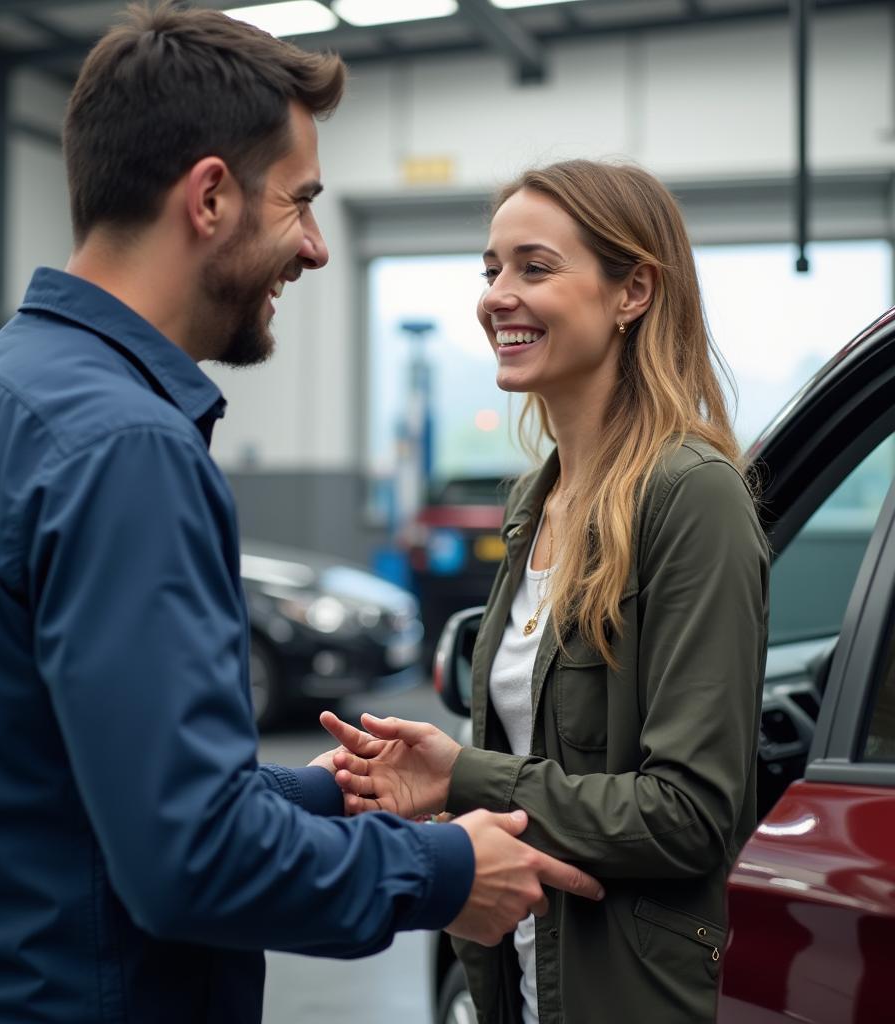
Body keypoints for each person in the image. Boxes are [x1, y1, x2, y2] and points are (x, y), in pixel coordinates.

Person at [0, 8, 605, 1023]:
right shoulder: (128, 447)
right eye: (299, 202)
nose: (313, 248)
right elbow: (189, 863)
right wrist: (442, 870)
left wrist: (318, 796)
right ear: (209, 196)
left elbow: (59, 791)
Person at [323, 159, 770, 1024]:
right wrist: (438, 784)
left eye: (534, 267)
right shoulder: (537, 498)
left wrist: (468, 774)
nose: (496, 295)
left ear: (633, 291)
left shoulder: (690, 496)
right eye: (490, 270)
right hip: (518, 982)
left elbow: (688, 816)